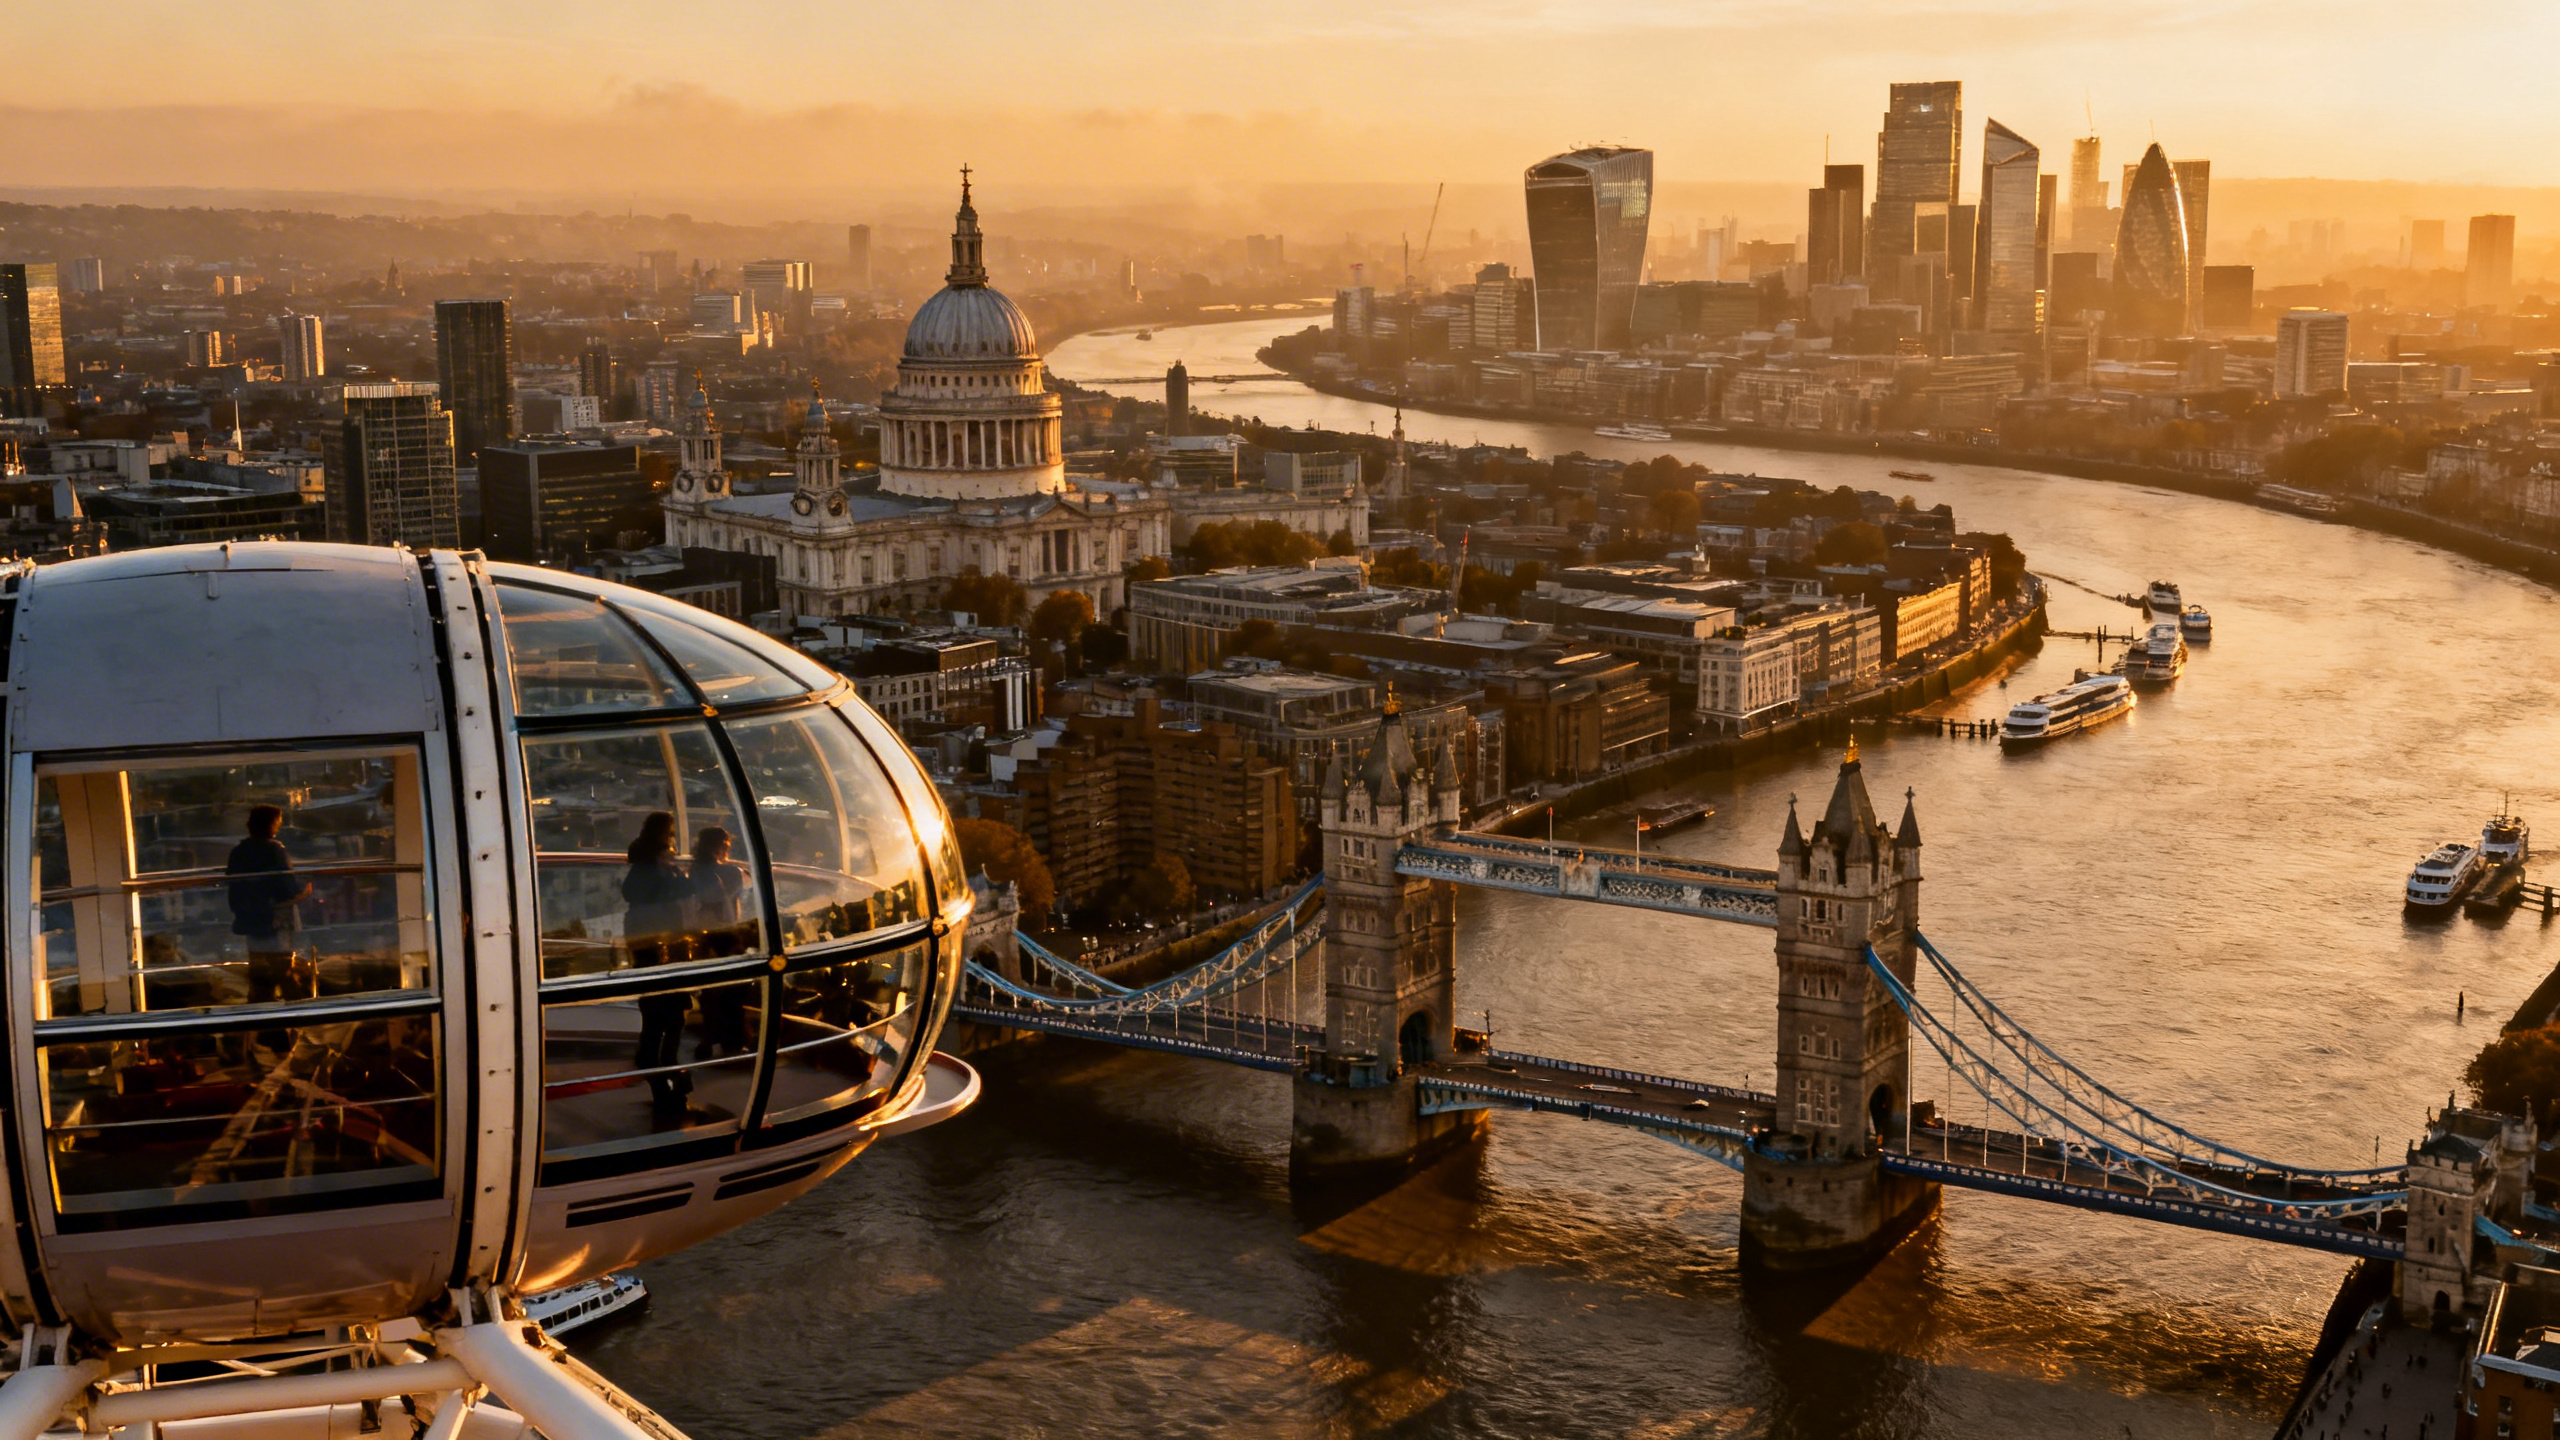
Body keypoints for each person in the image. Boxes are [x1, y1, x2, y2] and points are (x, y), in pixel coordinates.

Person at [622, 812, 694, 1113]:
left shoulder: (639, 862)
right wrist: (675, 874)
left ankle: (653, 1056)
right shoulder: (659, 867)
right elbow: (684, 891)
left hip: (643, 934)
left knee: (654, 1001)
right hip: (663, 937)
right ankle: (664, 1063)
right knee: (672, 1006)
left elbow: (630, 892)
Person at [227, 805, 313, 1010]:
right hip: (276, 919)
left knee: (259, 970)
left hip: (252, 920)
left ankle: (259, 1016)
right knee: (284, 970)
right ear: (272, 824)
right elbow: (286, 889)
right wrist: (303, 891)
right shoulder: (275, 850)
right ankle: (297, 1013)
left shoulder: (239, 852)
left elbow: (236, 886)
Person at [687, 826, 752, 1059]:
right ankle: (734, 1040)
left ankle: (711, 1036)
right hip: (726, 934)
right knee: (733, 990)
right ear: (721, 845)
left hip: (703, 935)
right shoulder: (732, 873)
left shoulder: (694, 871)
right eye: (727, 845)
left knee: (710, 990)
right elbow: (733, 895)